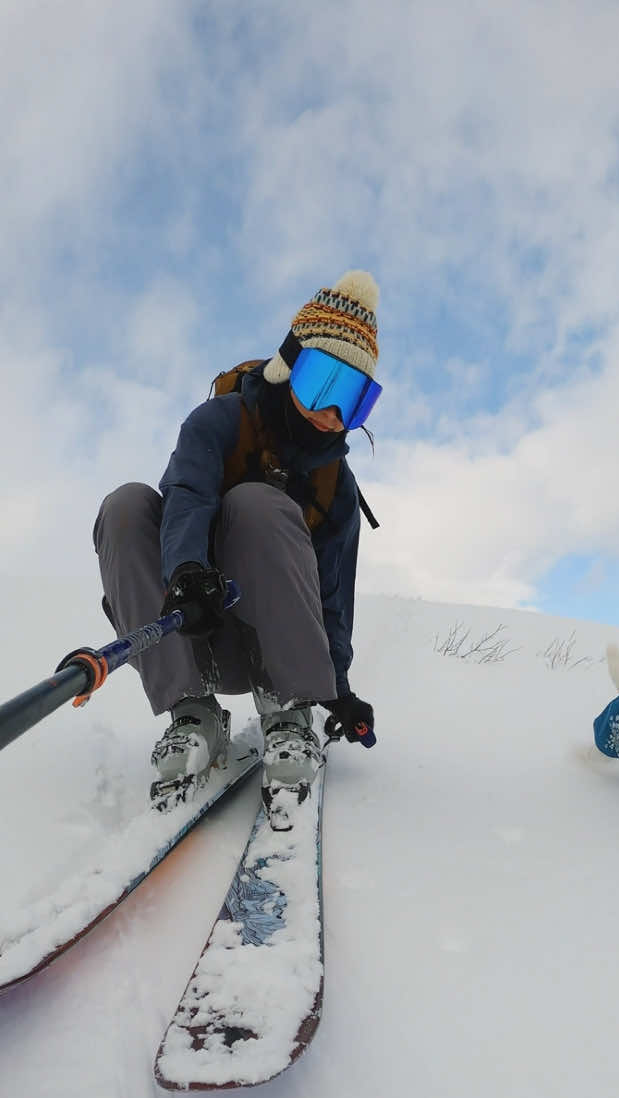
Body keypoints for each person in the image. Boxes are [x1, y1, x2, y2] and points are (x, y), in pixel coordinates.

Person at [93, 269, 379, 817]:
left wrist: (336, 687)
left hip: (274, 653)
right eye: (323, 382)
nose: (334, 414)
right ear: (289, 366)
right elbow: (186, 495)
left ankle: (289, 714)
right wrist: (186, 573)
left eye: (355, 398)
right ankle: (192, 712)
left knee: (259, 505)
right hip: (186, 629)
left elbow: (335, 594)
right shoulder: (219, 421)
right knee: (126, 506)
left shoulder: (335, 485)